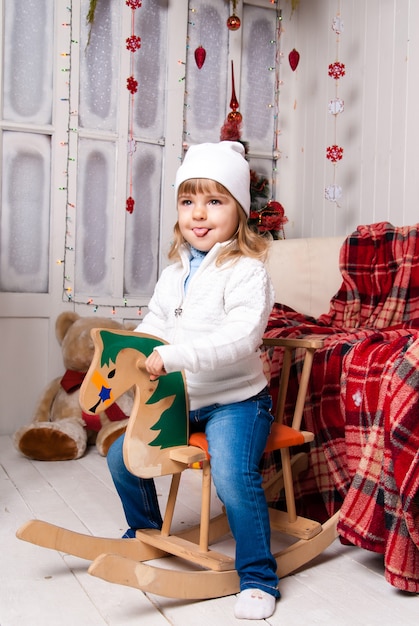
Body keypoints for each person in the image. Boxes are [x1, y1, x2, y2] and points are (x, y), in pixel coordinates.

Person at [107, 141, 279, 619]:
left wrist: (173, 355)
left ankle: (259, 576)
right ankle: (145, 533)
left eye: (215, 201)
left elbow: (240, 339)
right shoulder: (174, 272)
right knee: (123, 456)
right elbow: (155, 325)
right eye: (188, 202)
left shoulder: (246, 271)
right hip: (184, 400)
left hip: (236, 402)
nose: (198, 214)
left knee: (232, 475)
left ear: (240, 211)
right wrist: (131, 351)